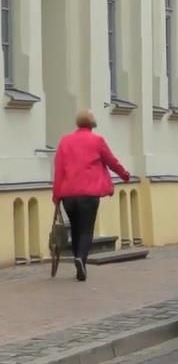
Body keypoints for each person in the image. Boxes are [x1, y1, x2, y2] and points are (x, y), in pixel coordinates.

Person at [52, 108, 130, 281]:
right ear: (92, 123)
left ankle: (77, 260)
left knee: (75, 229)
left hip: (69, 195)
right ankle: (81, 259)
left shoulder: (65, 141)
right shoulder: (97, 140)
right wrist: (124, 174)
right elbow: (111, 161)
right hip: (89, 193)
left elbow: (58, 169)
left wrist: (56, 194)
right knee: (87, 229)